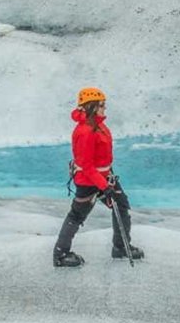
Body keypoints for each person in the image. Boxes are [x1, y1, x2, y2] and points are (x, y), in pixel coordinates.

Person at [53, 87, 144, 267]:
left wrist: (107, 181)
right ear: (92, 106)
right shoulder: (85, 132)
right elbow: (86, 165)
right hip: (89, 181)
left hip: (104, 178)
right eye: (102, 105)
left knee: (122, 204)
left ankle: (120, 247)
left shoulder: (98, 125)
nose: (105, 108)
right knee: (77, 215)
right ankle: (60, 255)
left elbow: (102, 159)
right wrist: (104, 186)